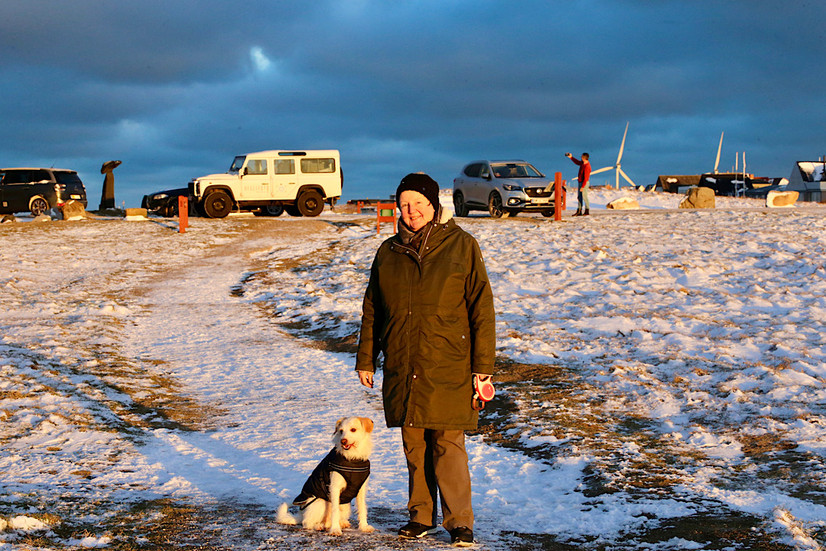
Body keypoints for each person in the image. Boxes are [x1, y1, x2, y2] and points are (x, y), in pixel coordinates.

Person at [355, 172, 496, 547]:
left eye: (418, 204)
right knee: (414, 443)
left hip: (449, 361)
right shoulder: (388, 252)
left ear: (434, 206)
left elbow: (481, 306)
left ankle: (459, 522)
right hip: (404, 361)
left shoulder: (462, 246)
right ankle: (420, 515)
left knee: (447, 444)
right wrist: (366, 359)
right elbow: (373, 311)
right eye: (404, 204)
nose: (411, 211)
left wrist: (483, 366)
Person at [565, 152, 591, 216]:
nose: (581, 158)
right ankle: (579, 211)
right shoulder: (582, 163)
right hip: (580, 182)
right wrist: (571, 157)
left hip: (584, 183)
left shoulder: (587, 166)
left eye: (582, 157)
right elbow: (577, 162)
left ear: (584, 158)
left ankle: (587, 211)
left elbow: (586, 178)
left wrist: (583, 186)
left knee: (584, 197)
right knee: (579, 197)